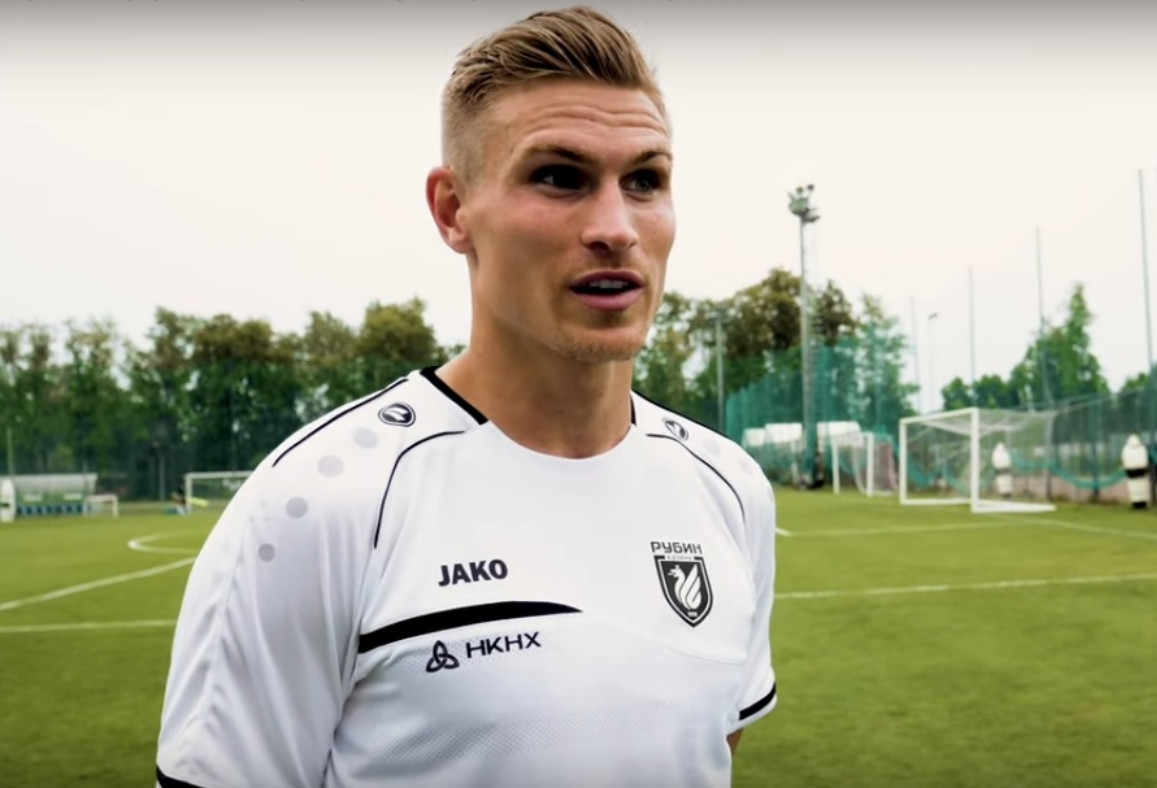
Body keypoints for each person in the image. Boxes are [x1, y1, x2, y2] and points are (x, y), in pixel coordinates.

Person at [154, 8, 779, 788]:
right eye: (560, 177)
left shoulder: (729, 488)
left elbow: (710, 754)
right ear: (453, 211)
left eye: (645, 180)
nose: (616, 227)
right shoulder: (317, 504)